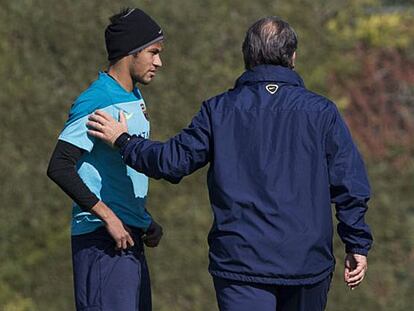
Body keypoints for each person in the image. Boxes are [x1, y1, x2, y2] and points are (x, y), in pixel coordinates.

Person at [87, 16, 373, 311]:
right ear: (292, 57)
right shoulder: (322, 112)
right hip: (306, 262)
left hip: (241, 264)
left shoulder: (218, 110)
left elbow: (171, 162)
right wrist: (357, 244)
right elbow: (350, 183)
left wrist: (125, 141)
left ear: (247, 57)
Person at [47, 8, 165, 311]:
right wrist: (109, 217)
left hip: (129, 236)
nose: (159, 62)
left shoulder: (134, 96)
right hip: (102, 241)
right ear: (130, 52)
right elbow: (59, 166)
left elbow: (114, 171)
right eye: (153, 52)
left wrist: (143, 219)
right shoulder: (98, 100)